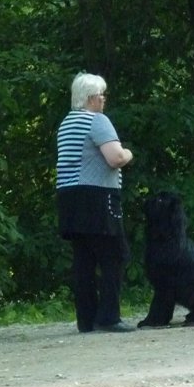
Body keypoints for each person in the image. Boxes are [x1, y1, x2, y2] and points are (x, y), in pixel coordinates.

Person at [56, 72, 135, 333]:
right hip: (97, 197)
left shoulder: (67, 123)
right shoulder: (97, 121)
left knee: (84, 260)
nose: (103, 100)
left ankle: (86, 320)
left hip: (69, 197)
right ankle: (109, 317)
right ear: (91, 98)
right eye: (101, 95)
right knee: (115, 254)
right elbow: (115, 158)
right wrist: (128, 153)